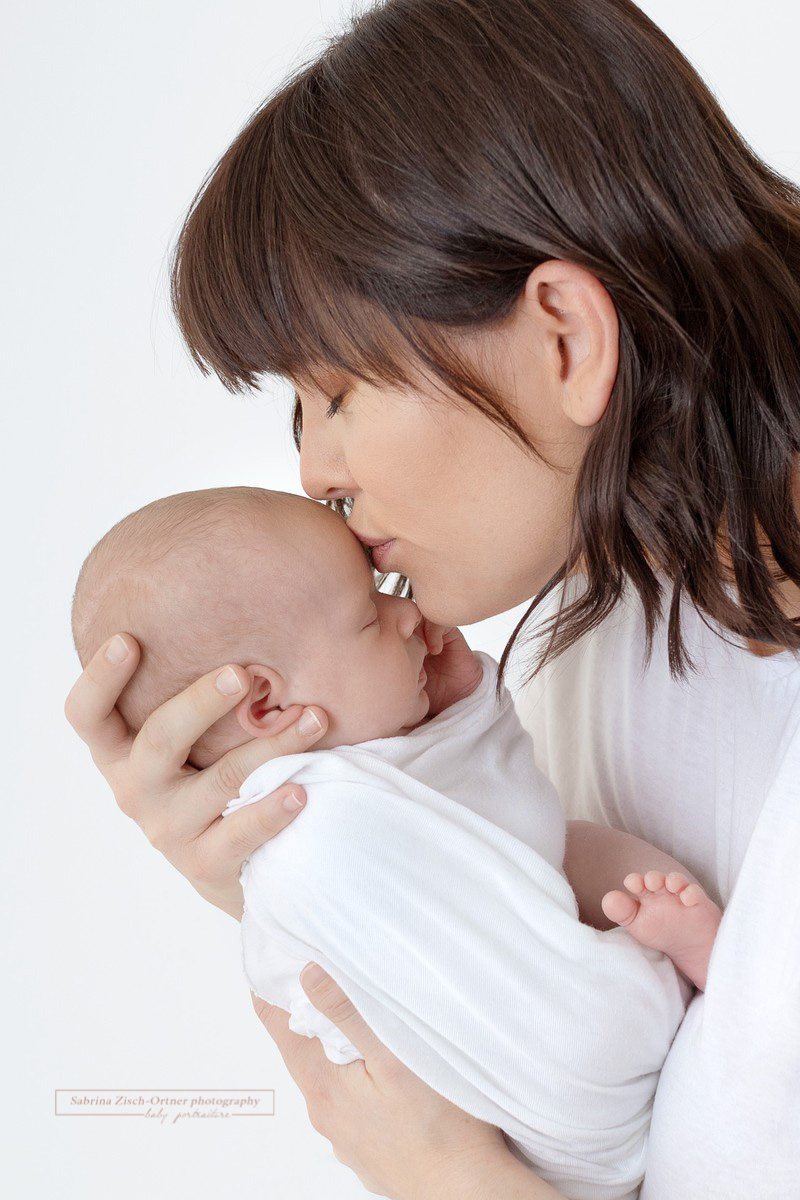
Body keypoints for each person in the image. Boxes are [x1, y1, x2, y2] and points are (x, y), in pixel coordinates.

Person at [64, 0, 800, 1196]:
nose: (313, 472)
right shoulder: (583, 640)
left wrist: (448, 1183)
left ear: (562, 336)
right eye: (294, 413)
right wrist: (302, 862)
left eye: (335, 389)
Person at [69, 484, 717, 1199]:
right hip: (555, 1118)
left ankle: (668, 968)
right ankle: (668, 976)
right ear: (265, 703)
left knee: (573, 850)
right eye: (369, 613)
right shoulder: (315, 831)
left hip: (506, 1143)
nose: (408, 611)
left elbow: (512, 839)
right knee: (579, 921)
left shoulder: (350, 776)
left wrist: (460, 701)